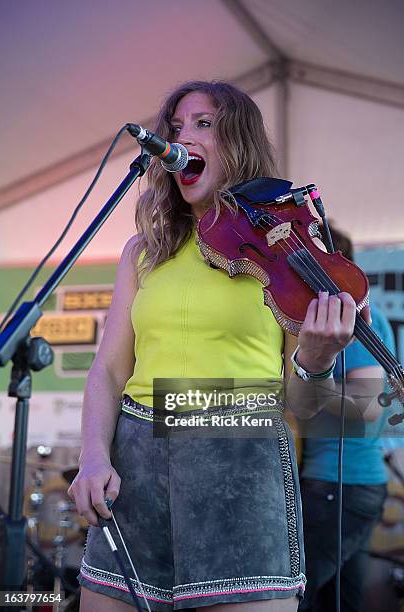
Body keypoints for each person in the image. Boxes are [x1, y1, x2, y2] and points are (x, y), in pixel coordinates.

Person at [67, 81, 364, 612]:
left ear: (240, 142)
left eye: (204, 124)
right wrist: (92, 457)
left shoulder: (286, 251)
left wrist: (315, 362)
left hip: (240, 463)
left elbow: (305, 407)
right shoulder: (145, 251)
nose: (183, 137)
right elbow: (108, 371)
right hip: (136, 470)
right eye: (176, 128)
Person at [298, 224, 396, 612]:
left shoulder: (348, 320)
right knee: (337, 602)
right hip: (350, 486)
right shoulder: (354, 319)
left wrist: (295, 392)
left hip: (338, 487)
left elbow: (365, 407)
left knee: (293, 597)